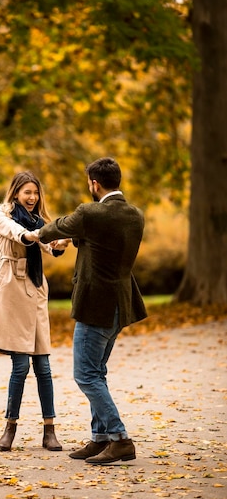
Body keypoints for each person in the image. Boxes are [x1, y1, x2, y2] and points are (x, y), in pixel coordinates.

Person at [35, 157, 147, 465]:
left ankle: (120, 438)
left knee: (85, 374)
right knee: (97, 372)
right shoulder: (134, 215)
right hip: (119, 305)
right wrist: (75, 239)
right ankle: (100, 438)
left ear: (93, 184)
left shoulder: (90, 212)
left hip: (96, 305)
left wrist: (37, 234)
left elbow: (59, 226)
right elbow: (100, 239)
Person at [0, 171, 68, 452]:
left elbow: (48, 244)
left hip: (35, 289)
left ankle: (50, 431)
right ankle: (10, 428)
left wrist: (58, 242)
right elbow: (14, 232)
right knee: (20, 366)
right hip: (10, 291)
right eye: (27, 192)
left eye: (36, 193)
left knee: (43, 366)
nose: (32, 198)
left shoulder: (38, 223)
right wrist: (33, 235)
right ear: (16, 192)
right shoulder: (0, 213)